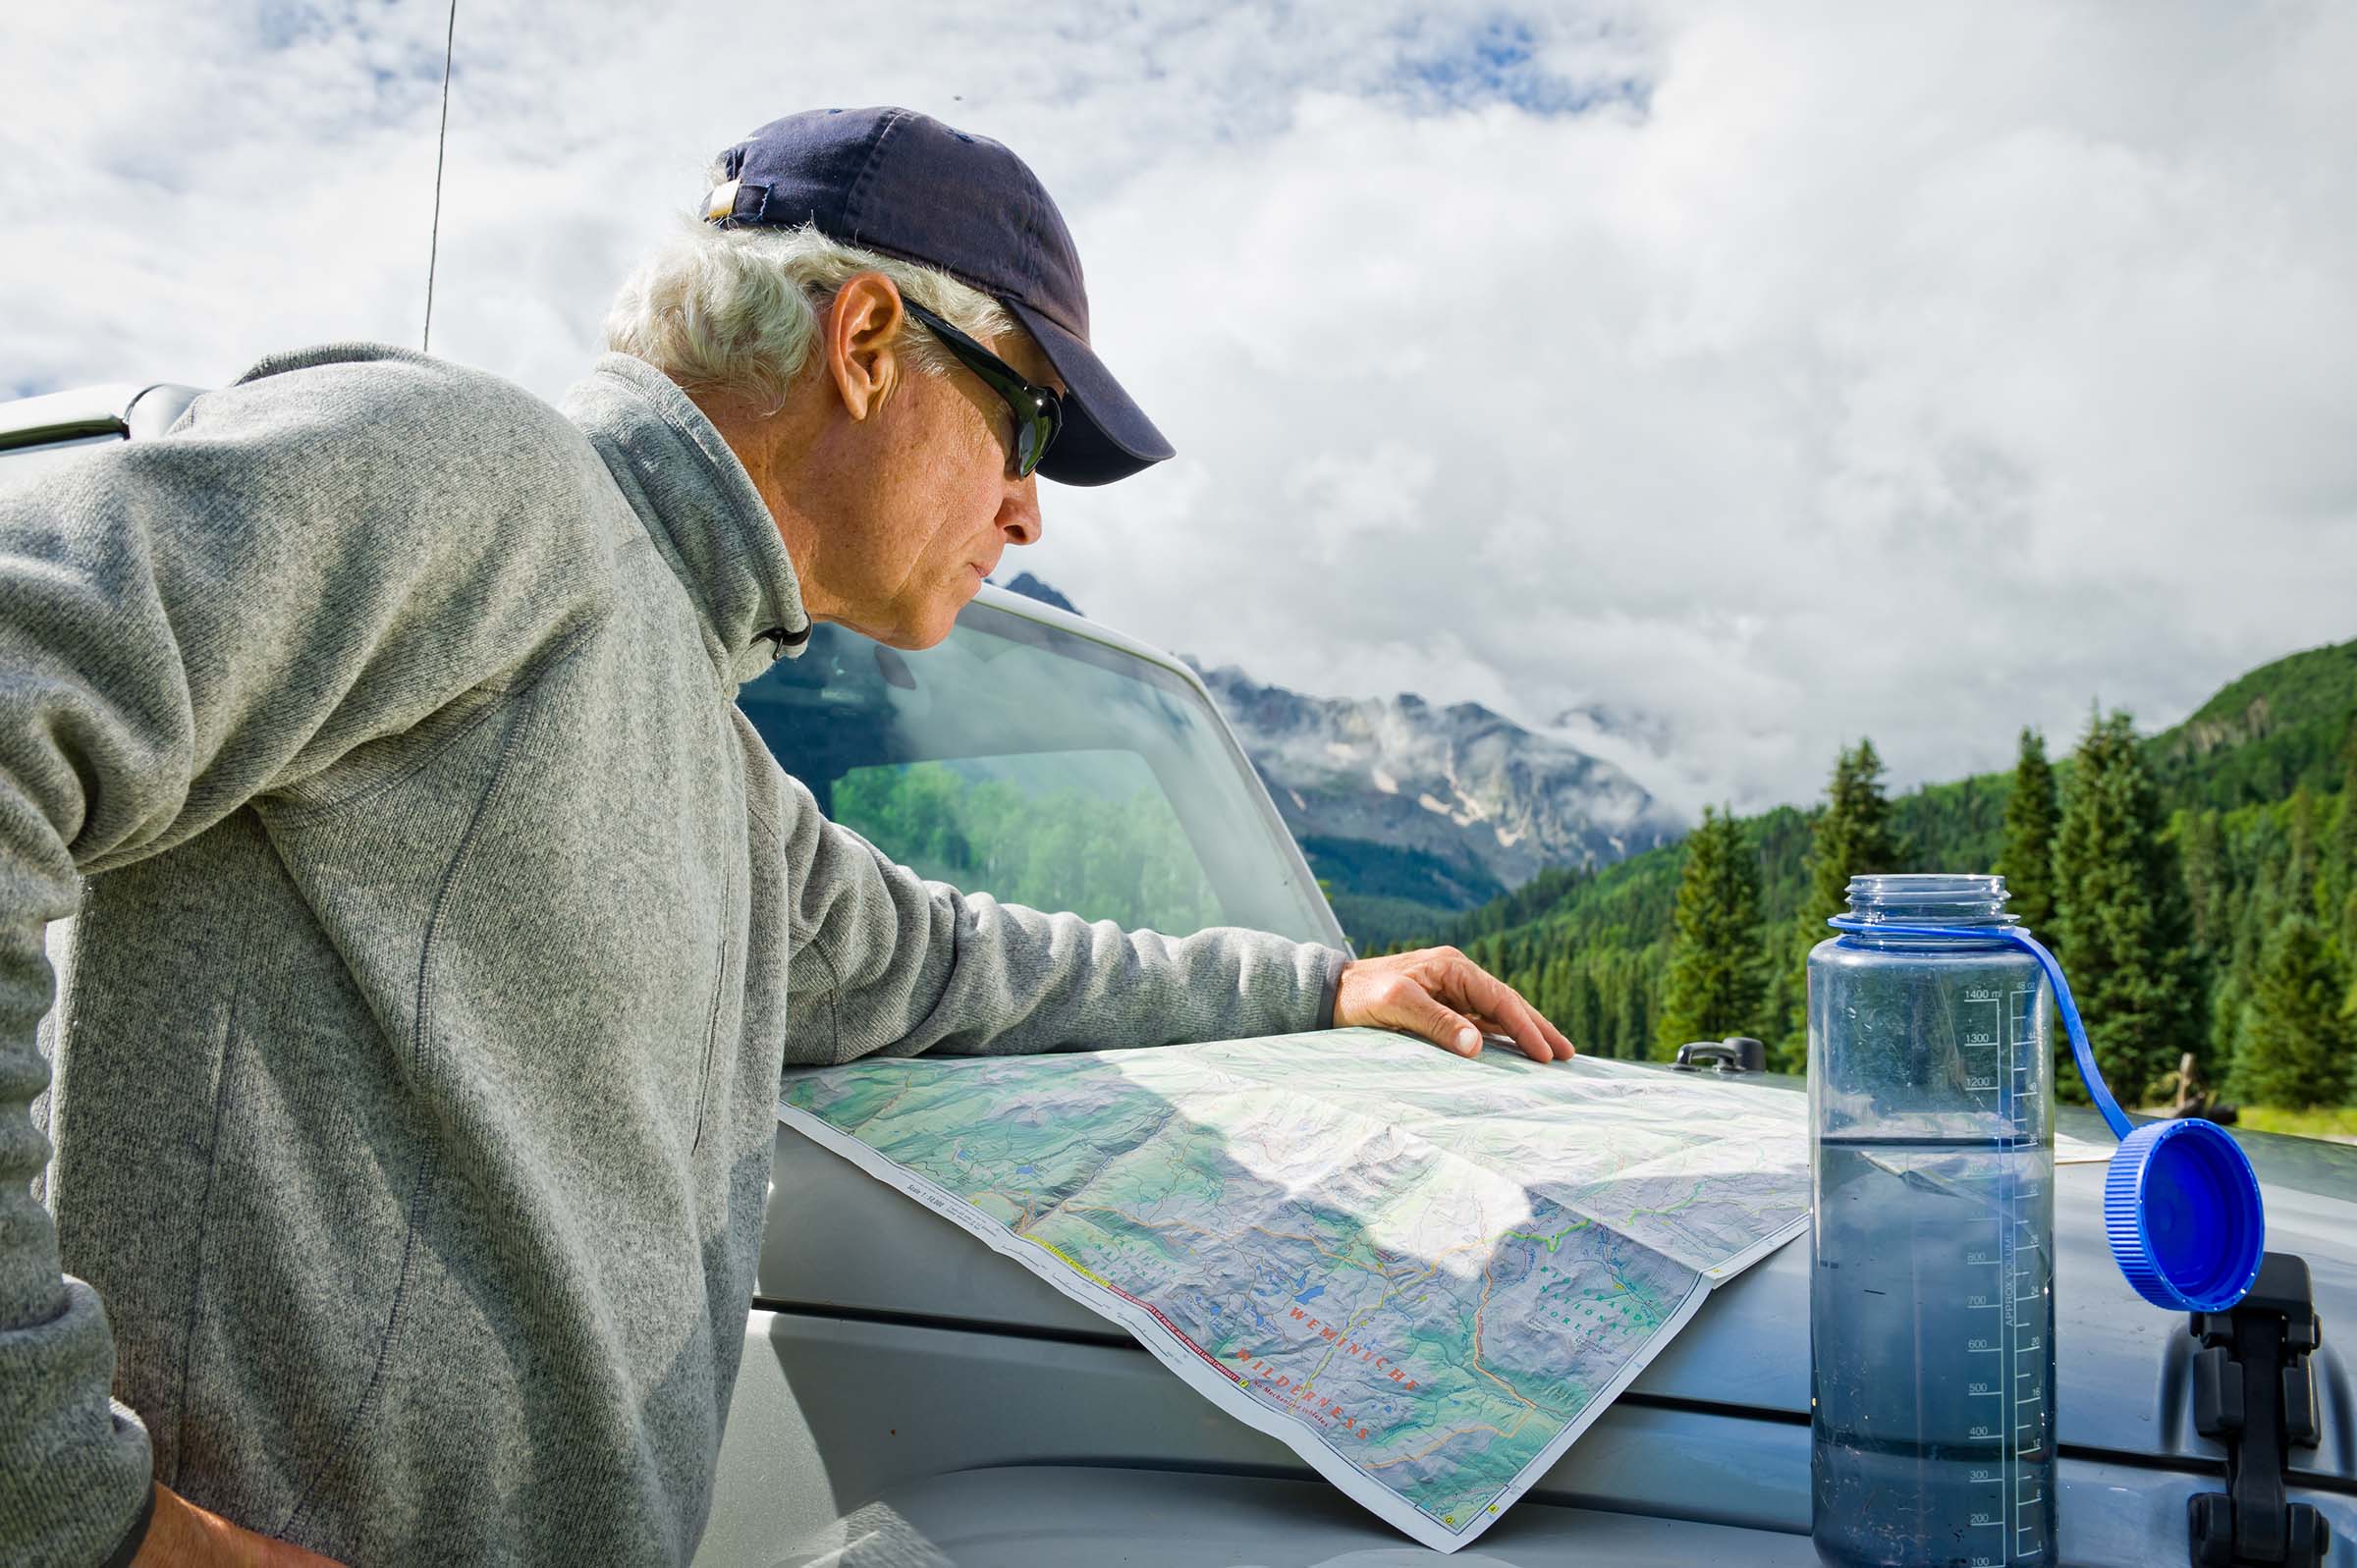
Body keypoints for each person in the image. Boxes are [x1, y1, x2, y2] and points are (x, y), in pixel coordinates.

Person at [0, 106, 1574, 1567]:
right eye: (1025, 422)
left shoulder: (732, 788)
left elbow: (973, 964)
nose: (1031, 510)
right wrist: (69, 1505)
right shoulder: (483, 483)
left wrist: (1318, 988)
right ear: (871, 341)